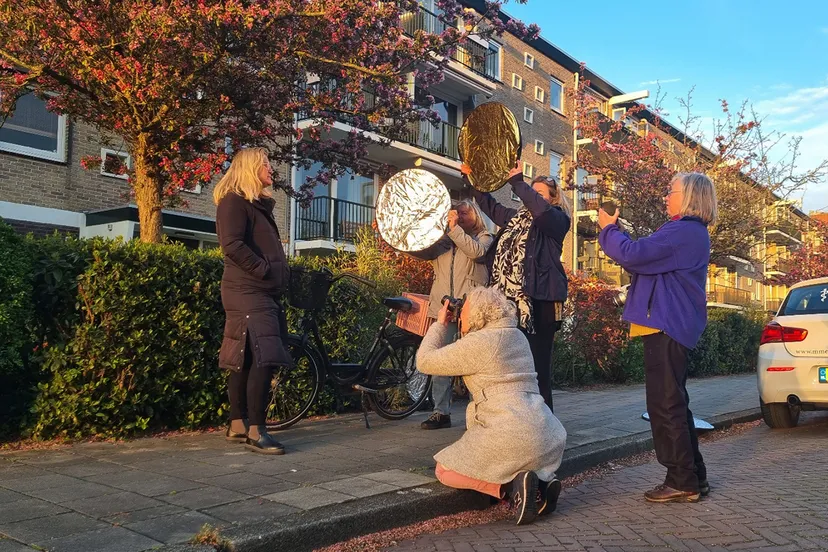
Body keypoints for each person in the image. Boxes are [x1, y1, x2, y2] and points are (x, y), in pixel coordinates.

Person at [597, 172, 717, 503]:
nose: (666, 196)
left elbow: (634, 255)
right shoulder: (688, 232)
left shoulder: (682, 232)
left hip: (666, 324)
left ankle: (682, 480)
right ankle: (695, 475)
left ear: (690, 196)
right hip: (671, 324)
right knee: (674, 402)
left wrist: (608, 229)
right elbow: (644, 257)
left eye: (671, 191)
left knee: (665, 405)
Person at [416, 286, 567, 525]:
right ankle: (540, 485)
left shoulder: (479, 343)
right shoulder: (517, 336)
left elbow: (424, 361)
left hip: (508, 433)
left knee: (444, 469)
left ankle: (511, 490)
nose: (460, 316)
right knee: (518, 457)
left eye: (463, 312)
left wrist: (441, 325)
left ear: (476, 314)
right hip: (547, 433)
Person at [470, 163, 571, 412]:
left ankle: (544, 428)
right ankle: (515, 423)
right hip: (507, 304)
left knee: (536, 369)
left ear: (553, 198)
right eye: (530, 192)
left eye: (538, 194)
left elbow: (541, 212)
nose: (531, 197)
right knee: (508, 366)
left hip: (538, 303)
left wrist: (518, 182)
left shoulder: (557, 220)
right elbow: (490, 207)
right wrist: (472, 178)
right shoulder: (516, 219)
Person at [214, 147, 292, 455]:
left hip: (255, 289)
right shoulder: (234, 201)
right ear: (250, 169)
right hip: (248, 290)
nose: (271, 170)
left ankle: (237, 425)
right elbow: (231, 245)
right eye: (266, 164)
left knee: (244, 357)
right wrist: (263, 270)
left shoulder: (254, 205)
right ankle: (257, 431)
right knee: (264, 356)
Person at [406, 199, 493, 430]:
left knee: (474, 362)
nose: (460, 217)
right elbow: (420, 251)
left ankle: (480, 412)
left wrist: (454, 230)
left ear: (476, 215)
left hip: (471, 311)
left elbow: (476, 253)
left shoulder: (484, 237)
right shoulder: (444, 241)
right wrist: (399, 238)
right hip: (444, 309)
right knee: (440, 361)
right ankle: (440, 412)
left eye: (465, 213)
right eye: (457, 214)